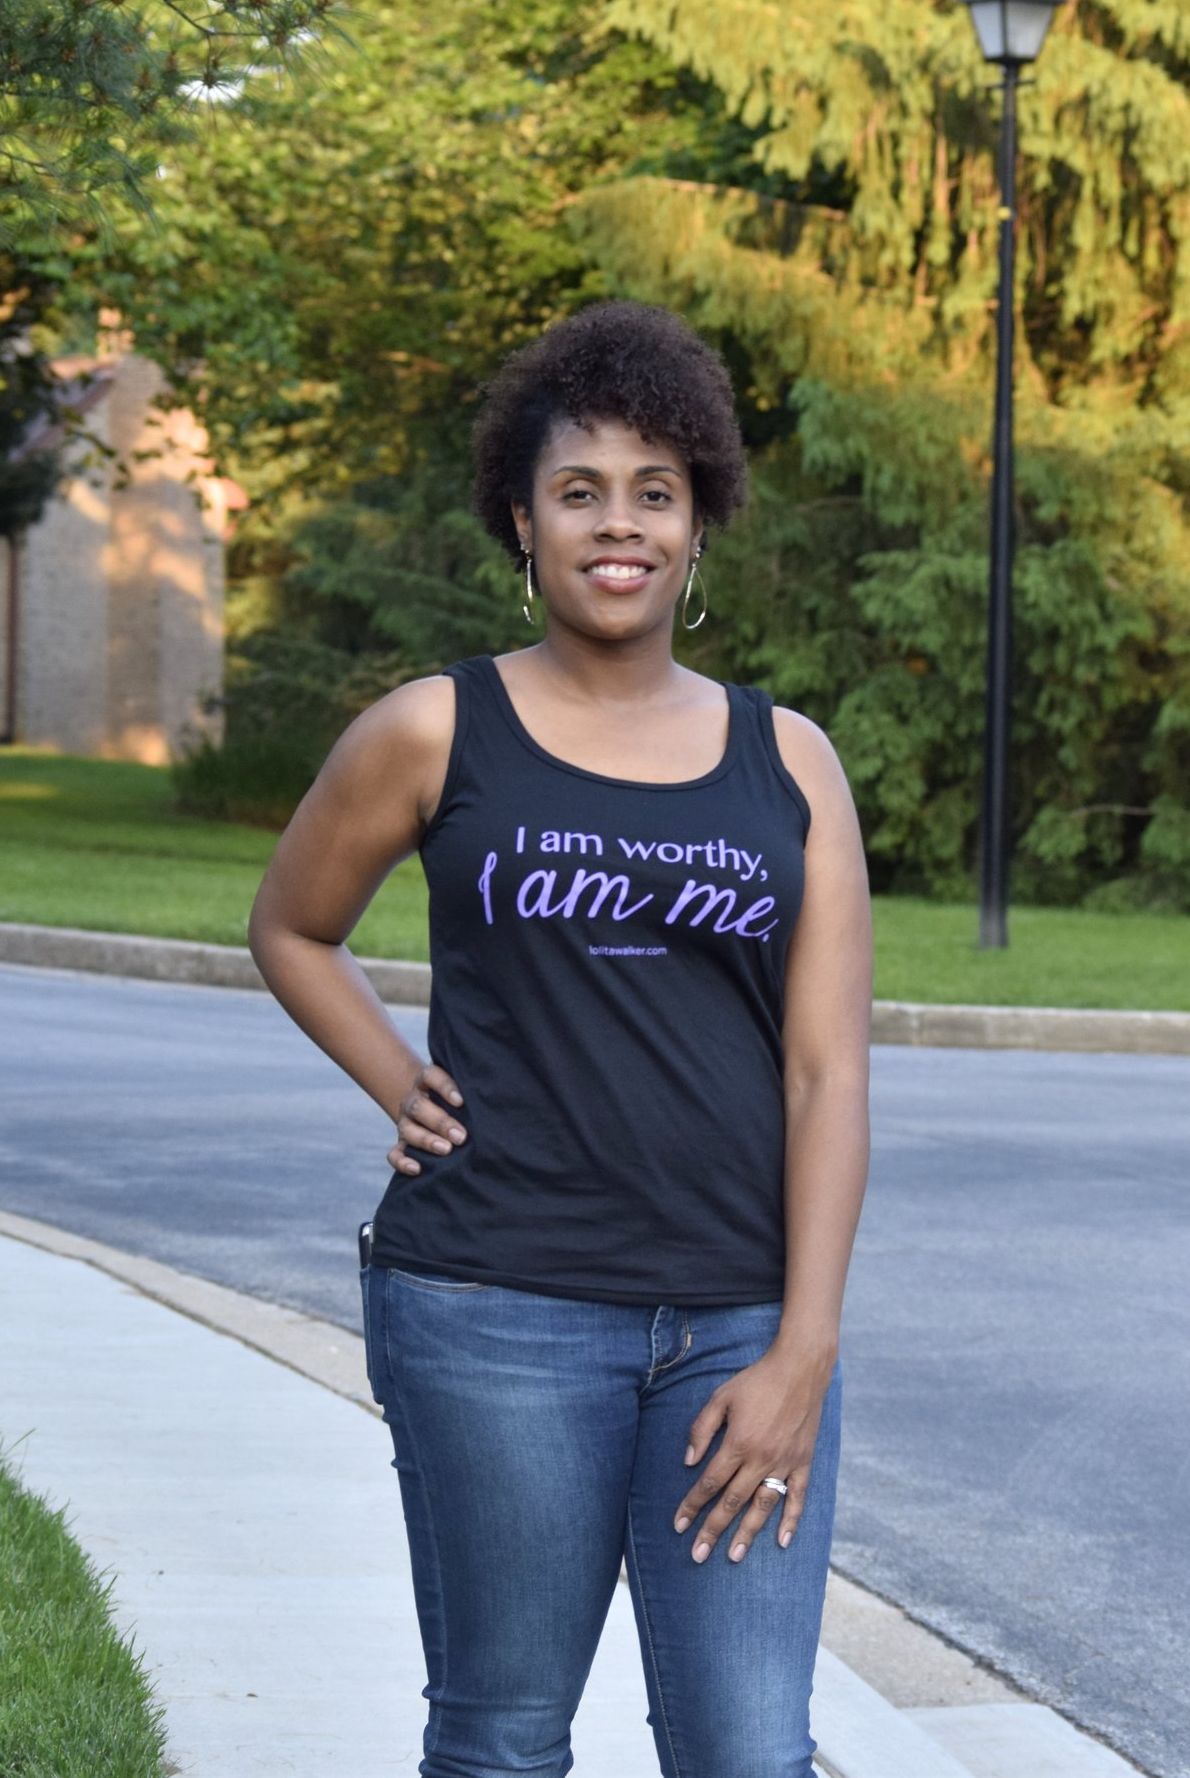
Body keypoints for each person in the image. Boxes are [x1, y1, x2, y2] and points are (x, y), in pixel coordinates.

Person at [248, 300, 873, 1778]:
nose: (620, 525)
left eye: (657, 493)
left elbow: (828, 1070)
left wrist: (805, 1345)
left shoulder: (789, 761)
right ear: (520, 522)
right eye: (579, 491)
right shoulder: (432, 730)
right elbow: (291, 924)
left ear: (699, 524)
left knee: (749, 1748)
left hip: (737, 1326)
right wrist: (396, 1074)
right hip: (492, 1308)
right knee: (505, 1735)